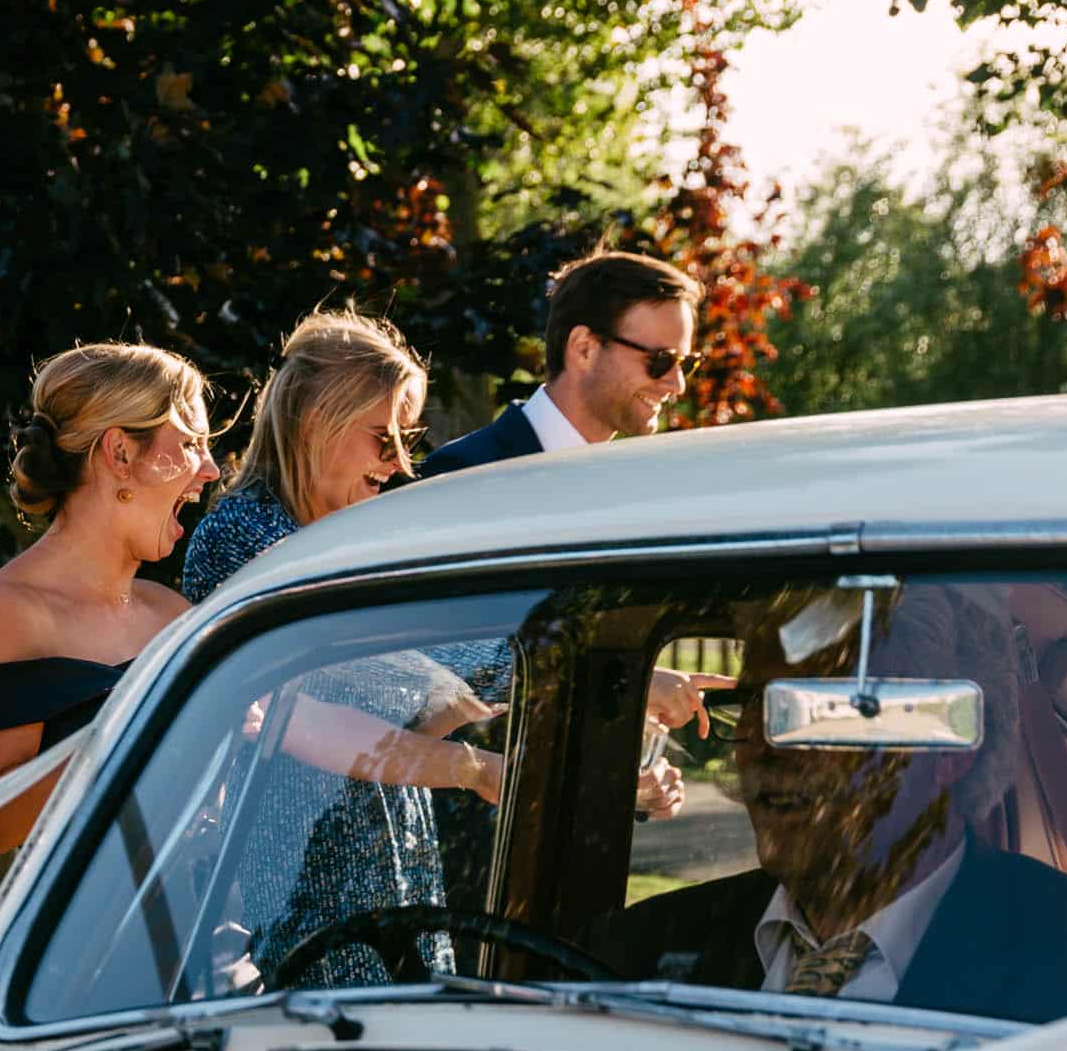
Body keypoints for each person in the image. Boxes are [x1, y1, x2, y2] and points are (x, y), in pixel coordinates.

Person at [177, 312, 692, 985]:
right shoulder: (241, 539)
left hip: (400, 879)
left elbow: (423, 701)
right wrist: (595, 671)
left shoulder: (351, 542)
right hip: (307, 908)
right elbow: (374, 661)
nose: (399, 463)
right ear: (314, 423)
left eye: (404, 439)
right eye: (381, 438)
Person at [589, 584, 1067, 1024]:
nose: (762, 742)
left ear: (948, 746)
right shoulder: (632, 956)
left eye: (822, 707)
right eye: (756, 703)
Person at [0, 344, 220, 853]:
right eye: (190, 444)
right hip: (95, 928)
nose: (210, 470)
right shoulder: (6, 615)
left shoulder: (171, 611)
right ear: (119, 453)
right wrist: (160, 719)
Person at [418, 250, 700, 477]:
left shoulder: (635, 488)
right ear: (584, 349)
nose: (678, 385)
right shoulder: (460, 476)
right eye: (661, 360)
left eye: (685, 364)